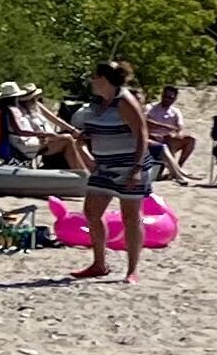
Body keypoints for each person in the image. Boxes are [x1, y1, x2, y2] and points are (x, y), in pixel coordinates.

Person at [65, 61, 154, 282]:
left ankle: (132, 270)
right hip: (103, 166)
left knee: (131, 217)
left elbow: (142, 135)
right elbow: (88, 135)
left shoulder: (124, 101)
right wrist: (83, 150)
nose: (91, 81)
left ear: (105, 79)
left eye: (94, 77)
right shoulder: (96, 104)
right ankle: (99, 263)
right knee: (92, 212)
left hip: (129, 165)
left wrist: (137, 168)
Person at [0, 82, 94, 173]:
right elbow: (20, 130)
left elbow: (53, 120)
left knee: (73, 139)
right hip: (29, 142)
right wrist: (41, 134)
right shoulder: (14, 110)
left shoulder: (20, 108)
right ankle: (83, 173)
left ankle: (86, 170)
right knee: (68, 139)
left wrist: (72, 130)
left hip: (35, 139)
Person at [144, 85, 196, 180]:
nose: (167, 100)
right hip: (152, 137)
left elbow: (180, 127)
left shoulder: (175, 111)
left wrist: (178, 133)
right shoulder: (150, 107)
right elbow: (146, 122)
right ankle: (175, 171)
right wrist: (166, 126)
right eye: (165, 96)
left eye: (170, 98)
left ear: (175, 99)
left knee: (190, 139)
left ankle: (178, 167)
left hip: (168, 138)